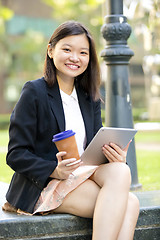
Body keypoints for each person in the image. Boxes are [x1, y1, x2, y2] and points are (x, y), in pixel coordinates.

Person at [3, 21, 139, 239]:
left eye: (83, 52)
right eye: (67, 49)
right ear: (50, 50)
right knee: (129, 204)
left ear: (89, 58)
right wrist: (55, 170)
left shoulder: (89, 96)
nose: (75, 58)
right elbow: (16, 154)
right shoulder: (34, 92)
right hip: (45, 184)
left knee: (121, 170)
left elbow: (95, 146)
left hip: (80, 177)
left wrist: (114, 155)